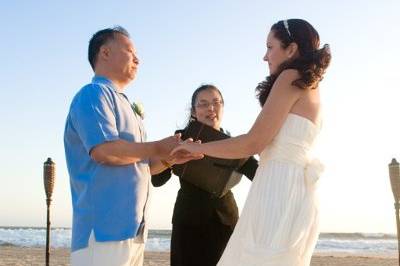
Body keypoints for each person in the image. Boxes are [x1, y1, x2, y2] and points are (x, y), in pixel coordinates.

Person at [172, 19, 331, 265]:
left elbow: (252, 143)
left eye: (270, 47)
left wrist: (196, 147)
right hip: (293, 187)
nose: (265, 57)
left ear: (291, 49)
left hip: (279, 189)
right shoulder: (310, 86)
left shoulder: (291, 76)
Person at [64, 26, 197, 266]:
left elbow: (144, 166)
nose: (138, 59)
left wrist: (169, 158)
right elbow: (104, 151)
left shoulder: (126, 105)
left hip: (133, 230)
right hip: (103, 230)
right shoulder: (93, 94)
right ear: (105, 52)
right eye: (130, 51)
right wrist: (157, 147)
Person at [152, 84, 258, 266]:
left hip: (225, 222)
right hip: (188, 223)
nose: (211, 108)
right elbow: (157, 180)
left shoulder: (234, 144)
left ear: (222, 107)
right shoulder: (182, 138)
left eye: (216, 102)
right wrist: (171, 159)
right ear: (194, 111)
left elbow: (258, 174)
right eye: (203, 104)